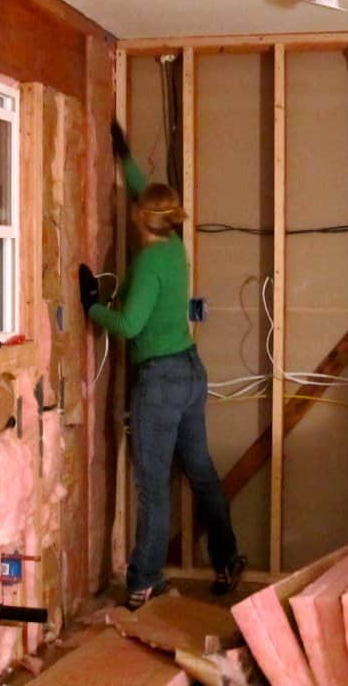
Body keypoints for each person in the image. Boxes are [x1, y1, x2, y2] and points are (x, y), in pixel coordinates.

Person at [79, 122, 245, 610]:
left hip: (161, 381)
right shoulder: (174, 245)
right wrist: (125, 155)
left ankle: (143, 580)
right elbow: (144, 191)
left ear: (141, 219)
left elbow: (128, 326)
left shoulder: (151, 263)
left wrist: (91, 307)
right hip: (191, 372)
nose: (132, 205)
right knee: (201, 471)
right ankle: (228, 559)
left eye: (137, 206)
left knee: (152, 486)